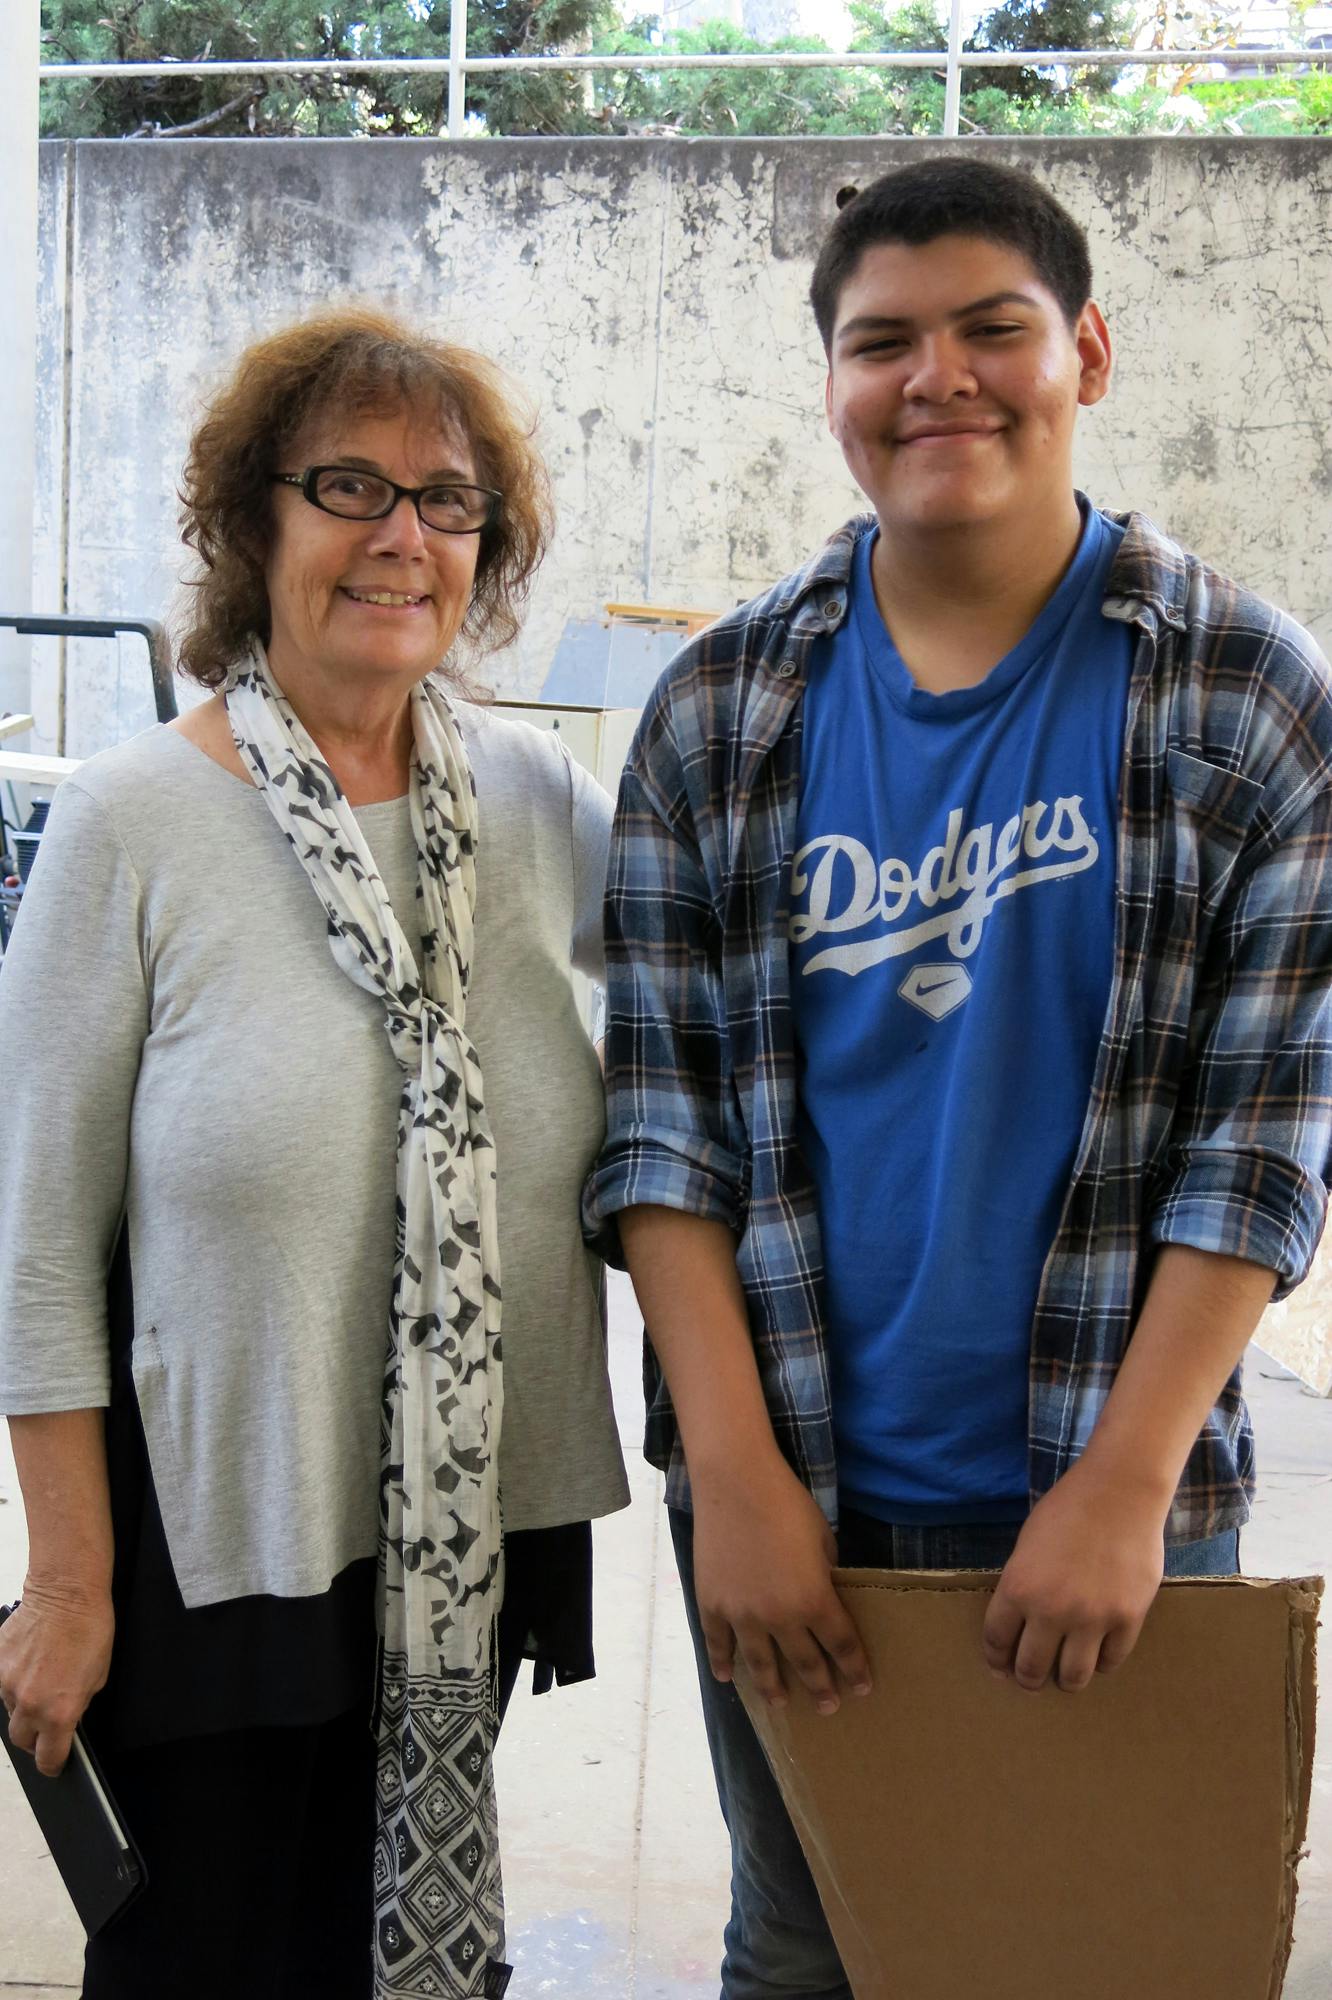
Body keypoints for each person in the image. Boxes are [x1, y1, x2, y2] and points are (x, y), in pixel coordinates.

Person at [584, 157, 1332, 1997]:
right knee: (806, 1947)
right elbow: (662, 1127)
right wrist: (738, 1481)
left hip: (1116, 1487)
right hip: (797, 1499)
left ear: (1085, 348)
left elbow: (1263, 1135)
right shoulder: (725, 710)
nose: (941, 381)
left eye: (993, 328)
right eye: (881, 343)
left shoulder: (1245, 692)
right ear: (830, 383)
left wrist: (1125, 1485)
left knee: (1105, 1954)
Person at [0, 307, 629, 2000]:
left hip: (464, 1516)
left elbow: (735, 992)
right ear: (254, 521)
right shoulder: (133, 822)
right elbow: (38, 1246)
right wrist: (64, 1580)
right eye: (348, 484)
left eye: (446, 498)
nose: (400, 535)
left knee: (376, 1955)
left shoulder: (532, 803)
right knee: (211, 1960)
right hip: (218, 1535)